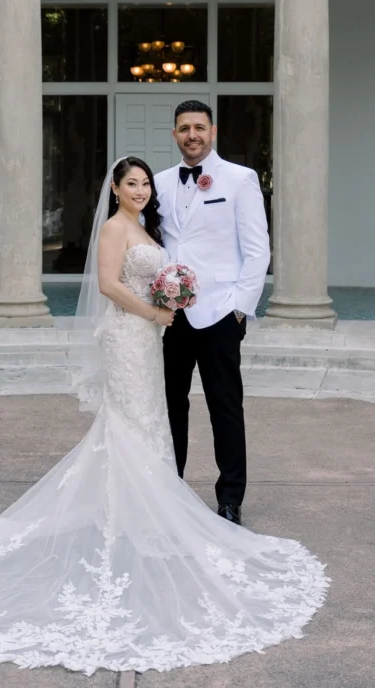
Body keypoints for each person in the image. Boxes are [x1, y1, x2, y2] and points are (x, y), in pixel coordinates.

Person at [0, 157, 328, 676]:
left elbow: (248, 248)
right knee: (134, 421)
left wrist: (216, 302)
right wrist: (159, 312)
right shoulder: (116, 227)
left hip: (177, 327)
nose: (139, 190)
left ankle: (178, 502)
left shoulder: (170, 212)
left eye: (142, 184)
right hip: (135, 335)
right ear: (114, 188)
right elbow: (111, 285)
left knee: (161, 417)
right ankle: (134, 513)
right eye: (130, 183)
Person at [156, 100, 271, 526]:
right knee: (170, 406)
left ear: (213, 131)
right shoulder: (160, 183)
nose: (192, 135)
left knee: (225, 407)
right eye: (184, 128)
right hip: (170, 316)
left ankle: (230, 499)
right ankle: (170, 489)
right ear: (174, 134)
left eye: (199, 127)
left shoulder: (240, 179)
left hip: (222, 313)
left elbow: (258, 249)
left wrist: (241, 308)